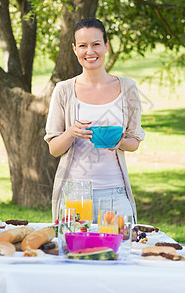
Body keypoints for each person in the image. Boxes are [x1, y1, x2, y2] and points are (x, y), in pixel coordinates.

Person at [45, 18, 145, 222]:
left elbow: (134, 142)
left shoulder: (127, 88)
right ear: (74, 49)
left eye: (96, 44)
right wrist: (71, 132)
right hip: (75, 193)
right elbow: (54, 149)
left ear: (106, 46)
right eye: (83, 46)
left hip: (116, 193)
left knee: (121, 250)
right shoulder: (63, 90)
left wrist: (119, 142)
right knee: (74, 252)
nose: (90, 52)